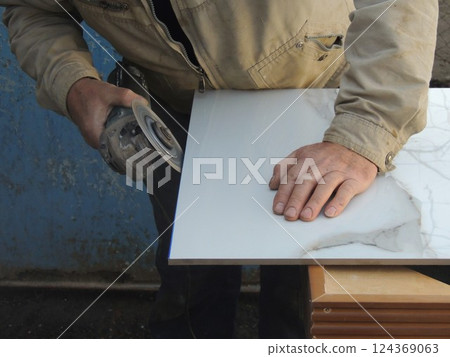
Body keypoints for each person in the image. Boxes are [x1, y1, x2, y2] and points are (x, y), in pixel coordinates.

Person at [0, 0, 439, 338]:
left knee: (308, 286)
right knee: (191, 275)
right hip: (175, 111)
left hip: (319, 99)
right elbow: (34, 10)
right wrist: (74, 84)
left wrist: (363, 131)